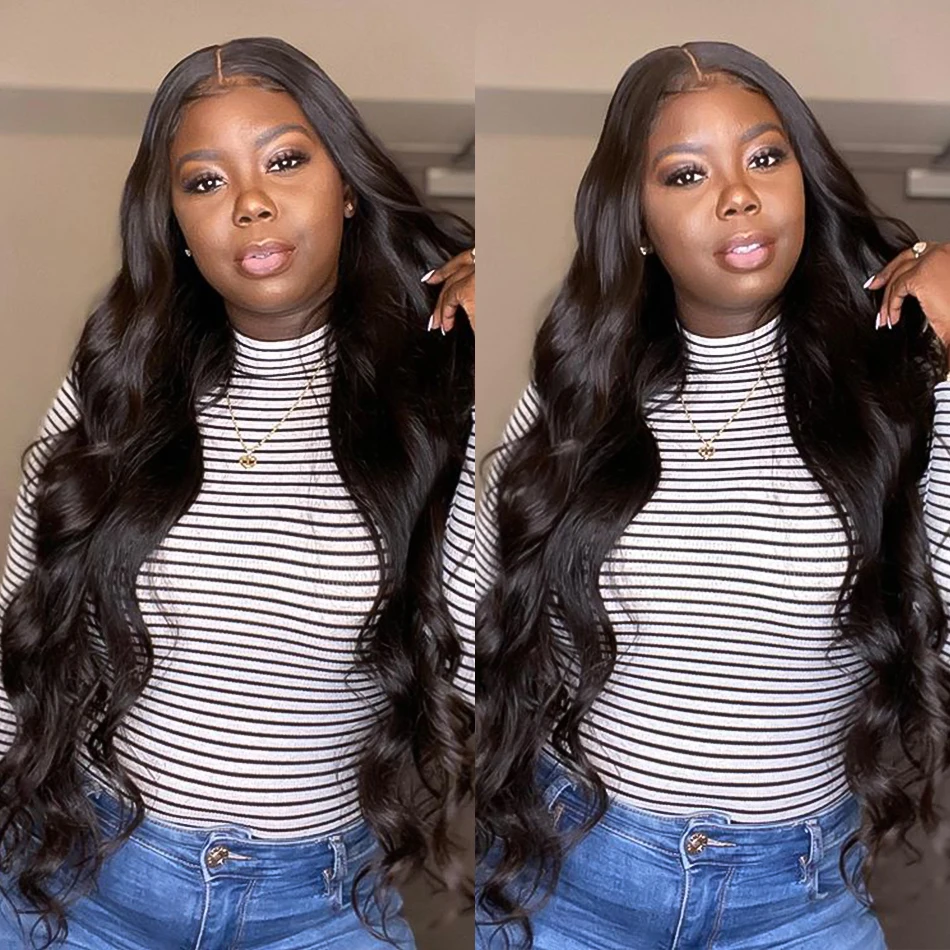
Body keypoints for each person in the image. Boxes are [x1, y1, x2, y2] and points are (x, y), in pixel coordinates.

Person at [0, 36, 475, 950]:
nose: (250, 203)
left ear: (347, 187)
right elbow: (20, 639)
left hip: (322, 911)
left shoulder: (438, 398)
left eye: (285, 161)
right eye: (205, 182)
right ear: (177, 223)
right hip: (78, 890)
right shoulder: (115, 387)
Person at [475, 40, 950, 950]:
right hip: (568, 884)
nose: (738, 194)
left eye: (766, 158)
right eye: (687, 174)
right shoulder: (582, 389)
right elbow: (471, 615)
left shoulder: (898, 388)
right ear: (637, 222)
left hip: (802, 900)